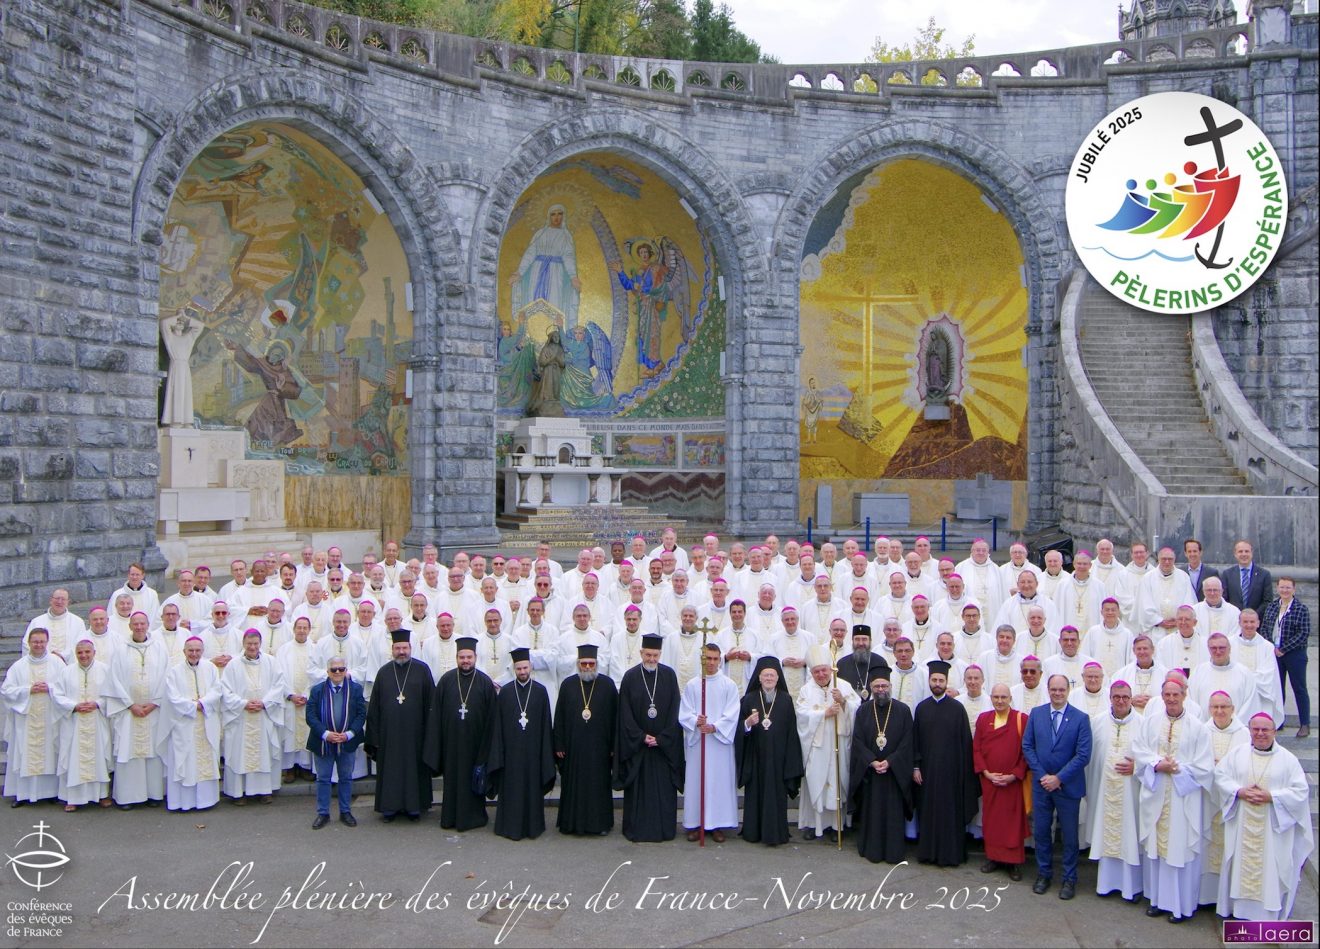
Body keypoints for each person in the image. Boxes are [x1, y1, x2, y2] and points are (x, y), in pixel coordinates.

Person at [1215, 712, 1314, 921]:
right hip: (1242, 823)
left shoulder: (1288, 760)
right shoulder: (1237, 754)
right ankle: (1239, 912)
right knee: (1240, 865)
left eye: (1265, 729)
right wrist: (1238, 791)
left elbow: (1300, 791)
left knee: (1271, 869)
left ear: (1274, 731)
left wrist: (1272, 796)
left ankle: (1266, 917)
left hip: (1273, 828)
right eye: (1256, 729)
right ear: (1250, 730)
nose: (1260, 734)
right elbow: (1221, 777)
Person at [1132, 677, 1215, 922]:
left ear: (1184, 694)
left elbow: (1205, 766)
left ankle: (1180, 906)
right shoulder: (1151, 722)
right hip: (1157, 793)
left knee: (1179, 848)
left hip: (1182, 798)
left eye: (1175, 694)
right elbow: (1139, 750)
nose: (1170, 699)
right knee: (1157, 850)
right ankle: (1156, 900)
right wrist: (1158, 764)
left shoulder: (1198, 727)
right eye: (1167, 694)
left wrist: (1177, 769)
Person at [1022, 674, 1092, 899]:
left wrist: (1059, 778)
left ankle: (1069, 879)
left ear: (1068, 691)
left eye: (1061, 690)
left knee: (1070, 836)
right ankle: (1044, 874)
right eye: (1053, 689)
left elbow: (1083, 755)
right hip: (1042, 785)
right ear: (1048, 690)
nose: (1057, 693)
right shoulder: (1037, 714)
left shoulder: (1081, 718)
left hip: (1067, 787)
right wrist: (1043, 776)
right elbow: (1028, 746)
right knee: (1042, 832)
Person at [614, 634, 684, 842]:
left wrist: (662, 738)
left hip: (662, 748)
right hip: (639, 746)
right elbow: (624, 713)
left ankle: (664, 830)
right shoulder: (630, 677)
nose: (652, 659)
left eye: (655, 655)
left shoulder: (669, 676)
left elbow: (675, 710)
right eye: (648, 655)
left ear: (660, 654)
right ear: (641, 653)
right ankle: (635, 829)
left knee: (662, 791)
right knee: (639, 791)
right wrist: (640, 736)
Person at [426, 637, 496, 831]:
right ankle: (449, 818)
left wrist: (487, 748)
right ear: (456, 657)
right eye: (462, 657)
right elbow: (436, 715)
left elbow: (492, 718)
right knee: (453, 781)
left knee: (472, 782)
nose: (466, 661)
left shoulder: (484, 682)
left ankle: (474, 818)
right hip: (451, 744)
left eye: (469, 657)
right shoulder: (447, 680)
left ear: (476, 657)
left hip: (476, 745)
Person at [912, 659, 978, 866]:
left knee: (950, 814)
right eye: (934, 679)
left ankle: (951, 855)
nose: (937, 683)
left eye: (941, 680)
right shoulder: (921, 709)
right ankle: (928, 853)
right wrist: (915, 767)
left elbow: (966, 742)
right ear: (929, 681)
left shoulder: (957, 709)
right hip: (927, 773)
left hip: (951, 773)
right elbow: (915, 741)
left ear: (946, 682)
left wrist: (964, 772)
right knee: (928, 813)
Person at [366, 629, 434, 823]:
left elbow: (431, 704)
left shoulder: (422, 670)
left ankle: (415, 807)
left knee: (414, 770)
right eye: (398, 648)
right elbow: (375, 708)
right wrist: (375, 738)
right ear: (392, 649)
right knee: (391, 771)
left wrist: (430, 734)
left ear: (411, 648)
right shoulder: (384, 672)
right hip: (390, 736)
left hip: (416, 735)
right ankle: (390, 808)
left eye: (404, 647)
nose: (401, 651)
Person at [488, 647, 555, 840]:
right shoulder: (506, 692)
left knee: (532, 790)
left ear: (531, 667)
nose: (523, 672)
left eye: (525, 668)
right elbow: (498, 727)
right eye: (519, 669)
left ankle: (533, 827)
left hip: (534, 753)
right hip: (511, 754)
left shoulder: (541, 692)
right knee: (512, 790)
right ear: (514, 669)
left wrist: (545, 752)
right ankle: (508, 827)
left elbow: (545, 724)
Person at [104, 613, 170, 809]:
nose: (139, 627)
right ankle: (128, 797)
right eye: (136, 624)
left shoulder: (159, 648)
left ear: (148, 625)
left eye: (142, 623)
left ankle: (154, 794)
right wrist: (129, 704)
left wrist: (154, 703)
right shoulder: (120, 650)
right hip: (128, 711)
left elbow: (167, 677)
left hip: (153, 710)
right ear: (130, 626)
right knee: (129, 753)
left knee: (153, 752)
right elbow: (113, 680)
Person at [795, 643, 861, 842]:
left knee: (837, 782)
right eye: (816, 671)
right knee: (816, 782)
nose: (821, 675)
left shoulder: (843, 686)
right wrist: (823, 713)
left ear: (830, 669)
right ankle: (814, 824)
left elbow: (858, 709)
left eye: (824, 670)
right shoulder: (806, 690)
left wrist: (843, 702)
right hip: (817, 745)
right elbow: (801, 715)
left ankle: (836, 825)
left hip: (839, 742)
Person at [849, 666, 914, 864]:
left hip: (894, 774)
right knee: (873, 812)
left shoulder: (903, 710)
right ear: (871, 687)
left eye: (884, 685)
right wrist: (871, 761)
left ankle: (893, 851)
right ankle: (872, 850)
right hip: (871, 774)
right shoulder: (863, 710)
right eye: (876, 686)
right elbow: (857, 740)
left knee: (892, 814)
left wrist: (891, 761)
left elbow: (907, 741)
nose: (880, 690)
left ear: (890, 686)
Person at [736, 657, 803, 846]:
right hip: (755, 757)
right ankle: (753, 832)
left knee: (776, 795)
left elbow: (792, 732)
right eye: (765, 675)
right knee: (755, 793)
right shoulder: (748, 699)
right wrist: (747, 724)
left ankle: (776, 832)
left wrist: (790, 760)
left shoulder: (785, 700)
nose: (768, 678)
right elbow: (738, 730)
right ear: (759, 677)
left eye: (772, 675)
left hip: (778, 759)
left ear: (777, 677)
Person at [1086, 680, 1143, 900]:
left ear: (1131, 698)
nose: (1121, 701)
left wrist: (1137, 768)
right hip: (1104, 791)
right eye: (1116, 697)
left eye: (1125, 697)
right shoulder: (1097, 722)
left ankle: (1132, 888)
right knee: (1107, 834)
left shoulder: (1143, 723)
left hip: (1131, 793)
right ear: (1110, 698)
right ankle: (1106, 885)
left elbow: (1151, 757)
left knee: (1129, 835)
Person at [553, 644, 618, 836]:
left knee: (598, 786)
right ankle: (571, 824)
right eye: (584, 663)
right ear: (578, 664)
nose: (587, 667)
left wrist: (614, 746)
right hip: (574, 748)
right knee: (573, 785)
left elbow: (616, 717)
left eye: (591, 663)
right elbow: (559, 717)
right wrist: (559, 744)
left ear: (597, 664)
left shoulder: (607, 685)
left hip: (600, 748)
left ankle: (600, 825)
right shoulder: (568, 684)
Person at [679, 643, 740, 843]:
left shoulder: (728, 685)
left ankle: (717, 825)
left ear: (720, 660)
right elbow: (684, 713)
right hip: (699, 744)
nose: (711, 663)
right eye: (708, 658)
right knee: (698, 782)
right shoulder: (693, 685)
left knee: (718, 782)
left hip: (719, 743)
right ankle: (696, 824)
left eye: (715, 659)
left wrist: (715, 727)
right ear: (702, 659)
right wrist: (696, 721)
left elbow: (732, 713)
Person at [219, 629, 287, 805]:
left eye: (255, 643)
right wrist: (243, 703)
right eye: (249, 644)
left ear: (260, 644)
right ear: (243, 643)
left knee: (263, 753)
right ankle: (238, 792)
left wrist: (264, 702)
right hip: (242, 716)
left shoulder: (271, 663)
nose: (252, 647)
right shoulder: (233, 665)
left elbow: (279, 686)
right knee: (240, 754)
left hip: (263, 714)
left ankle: (264, 791)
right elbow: (225, 690)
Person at [2, 629, 64, 806]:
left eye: (42, 641)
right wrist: (28, 690)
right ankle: (22, 794)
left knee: (50, 752)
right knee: (24, 753)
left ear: (47, 642)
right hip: (26, 719)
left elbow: (66, 686)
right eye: (35, 641)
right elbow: (6, 690)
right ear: (29, 643)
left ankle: (50, 792)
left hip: (49, 718)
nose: (39, 645)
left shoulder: (57, 663)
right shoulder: (19, 666)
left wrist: (50, 688)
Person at [973, 683, 1029, 881]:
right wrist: (986, 773)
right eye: (996, 697)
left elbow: (1027, 752)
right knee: (992, 822)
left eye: (1003, 697)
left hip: (1012, 783)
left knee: (1012, 823)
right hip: (990, 782)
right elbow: (977, 749)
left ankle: (1013, 863)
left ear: (1010, 698)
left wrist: (1014, 774)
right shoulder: (983, 719)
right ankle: (994, 858)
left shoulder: (1021, 719)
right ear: (991, 698)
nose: (999, 701)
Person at [160, 636, 223, 811]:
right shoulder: (174, 671)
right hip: (184, 724)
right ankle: (183, 802)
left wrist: (203, 703)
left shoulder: (211, 668)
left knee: (205, 760)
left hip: (206, 721)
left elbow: (217, 690)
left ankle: (206, 801)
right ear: (184, 652)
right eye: (190, 650)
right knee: (185, 761)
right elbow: (172, 697)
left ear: (202, 651)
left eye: (197, 650)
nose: (194, 654)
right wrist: (193, 706)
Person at [1200, 691, 1249, 905]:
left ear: (1233, 709)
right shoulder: (1201, 731)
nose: (1219, 711)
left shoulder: (1245, 734)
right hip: (1207, 799)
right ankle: (1204, 897)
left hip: (1233, 801)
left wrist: (1224, 767)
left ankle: (1227, 901)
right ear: (1209, 709)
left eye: (1224, 707)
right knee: (1206, 845)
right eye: (1215, 707)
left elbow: (1250, 766)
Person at [52, 638, 113, 810]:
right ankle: (72, 798)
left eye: (87, 652)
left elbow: (112, 694)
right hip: (74, 721)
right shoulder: (66, 672)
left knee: (99, 757)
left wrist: (98, 703)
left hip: (97, 719)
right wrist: (74, 706)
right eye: (80, 652)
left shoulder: (105, 670)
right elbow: (57, 695)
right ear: (75, 654)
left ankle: (101, 795)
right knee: (73, 758)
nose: (83, 655)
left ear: (94, 652)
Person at [306, 655, 366, 829]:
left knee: (346, 778)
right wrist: (325, 734)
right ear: (328, 672)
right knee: (323, 779)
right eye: (334, 669)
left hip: (346, 741)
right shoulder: (317, 690)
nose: (338, 672)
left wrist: (349, 734)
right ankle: (323, 813)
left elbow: (361, 714)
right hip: (323, 741)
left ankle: (345, 811)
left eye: (341, 669)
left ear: (346, 671)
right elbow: (310, 716)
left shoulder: (355, 689)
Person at [1261, 576, 1310, 738]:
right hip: (1274, 653)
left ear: (1294, 589)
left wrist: (1284, 648)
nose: (1284, 590)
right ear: (1278, 588)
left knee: (1299, 688)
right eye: (1282, 587)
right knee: (1277, 688)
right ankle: (1278, 720)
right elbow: (1265, 627)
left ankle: (1304, 724)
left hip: (1294, 654)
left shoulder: (1301, 608)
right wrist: (1271, 646)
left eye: (1288, 587)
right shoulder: (1272, 606)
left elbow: (1303, 633)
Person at [1222, 540, 1272, 613]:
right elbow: (1224, 599)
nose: (1244, 554)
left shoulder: (1264, 574)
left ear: (1252, 553)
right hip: (1234, 619)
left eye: (1247, 551)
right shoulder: (1227, 574)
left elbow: (1267, 601)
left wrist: (1253, 616)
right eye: (1240, 551)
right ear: (1235, 554)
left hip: (1256, 621)